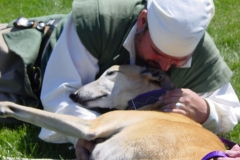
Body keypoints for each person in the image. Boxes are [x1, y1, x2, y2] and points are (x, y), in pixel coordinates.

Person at [0, 0, 239, 159]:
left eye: (178, 60)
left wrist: (207, 111)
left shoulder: (201, 52)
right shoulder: (100, 17)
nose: (165, 67)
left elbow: (231, 108)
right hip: (20, 59)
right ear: (142, 22)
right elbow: (58, 94)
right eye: (158, 53)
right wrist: (84, 135)